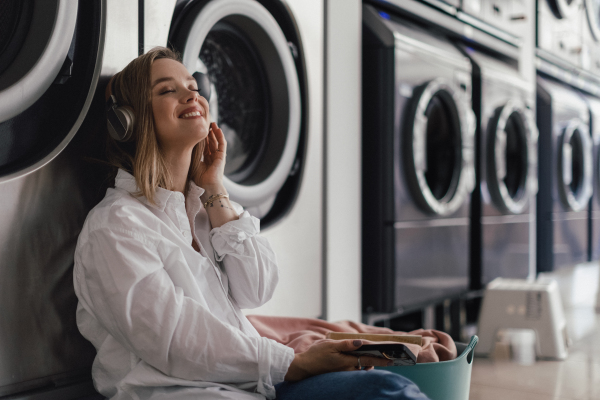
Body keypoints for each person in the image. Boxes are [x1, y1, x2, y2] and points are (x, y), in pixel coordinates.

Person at [73, 47, 430, 400]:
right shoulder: (116, 226)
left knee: (390, 379)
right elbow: (174, 341)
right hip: (184, 393)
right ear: (127, 121)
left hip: (252, 383)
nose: (191, 95)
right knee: (388, 390)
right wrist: (292, 363)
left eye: (193, 87)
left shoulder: (201, 209)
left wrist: (214, 187)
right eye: (168, 90)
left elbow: (256, 288)